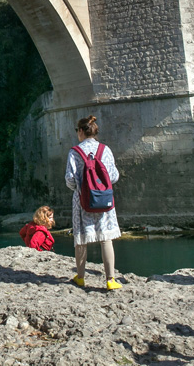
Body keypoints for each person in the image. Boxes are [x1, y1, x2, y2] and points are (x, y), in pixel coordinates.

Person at [65, 116, 122, 290]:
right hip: (104, 199)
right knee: (106, 238)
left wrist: (81, 188)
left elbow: (70, 179)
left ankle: (81, 277)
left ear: (81, 131)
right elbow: (114, 176)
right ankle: (110, 280)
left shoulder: (75, 152)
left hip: (82, 200)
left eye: (77, 131)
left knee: (81, 238)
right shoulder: (105, 150)